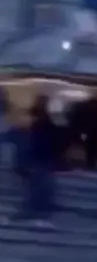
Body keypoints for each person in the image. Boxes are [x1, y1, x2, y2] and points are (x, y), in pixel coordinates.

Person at [14, 95, 57, 226]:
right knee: (38, 187)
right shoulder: (45, 122)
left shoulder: (36, 123)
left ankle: (31, 211)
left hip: (35, 159)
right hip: (39, 160)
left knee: (34, 187)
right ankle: (36, 211)